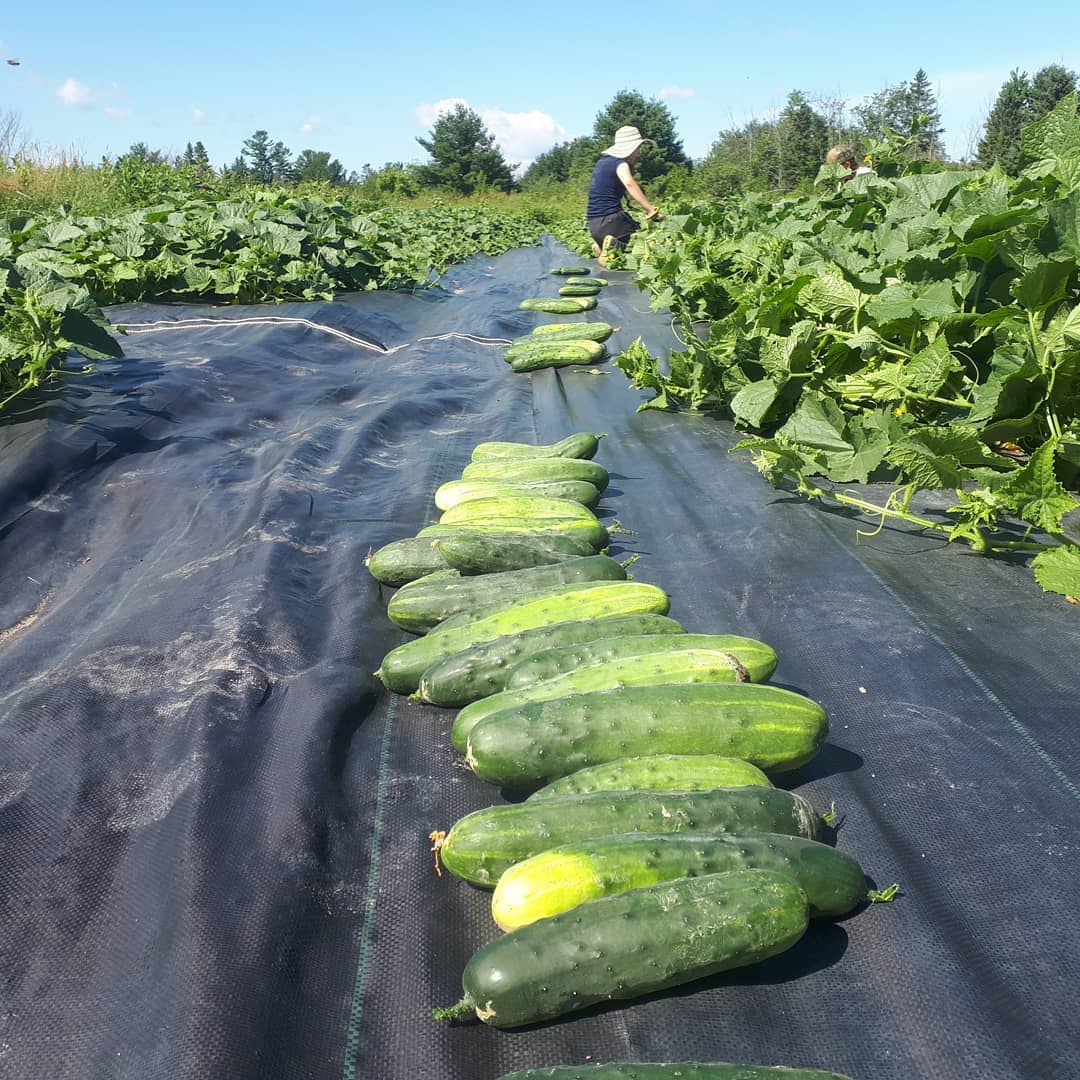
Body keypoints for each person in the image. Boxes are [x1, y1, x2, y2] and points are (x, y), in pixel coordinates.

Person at [586, 125, 664, 266]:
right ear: (630, 148)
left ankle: (600, 243)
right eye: (637, 149)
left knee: (629, 226)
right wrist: (651, 210)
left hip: (594, 224)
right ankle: (613, 248)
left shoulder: (602, 162)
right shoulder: (620, 163)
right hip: (610, 222)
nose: (638, 153)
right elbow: (629, 183)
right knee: (640, 240)